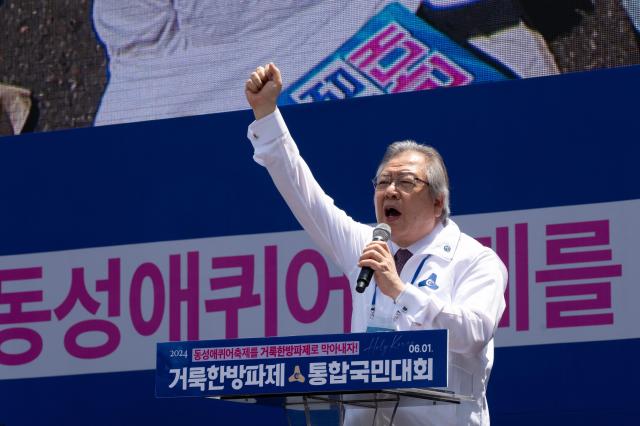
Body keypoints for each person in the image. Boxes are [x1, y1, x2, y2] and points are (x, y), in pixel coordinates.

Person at [245, 63, 507, 425]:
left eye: (405, 181)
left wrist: (401, 291)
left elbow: (473, 334)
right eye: (383, 182)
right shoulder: (366, 246)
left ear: (437, 201)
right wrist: (266, 114)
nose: (390, 191)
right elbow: (305, 196)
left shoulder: (476, 260)